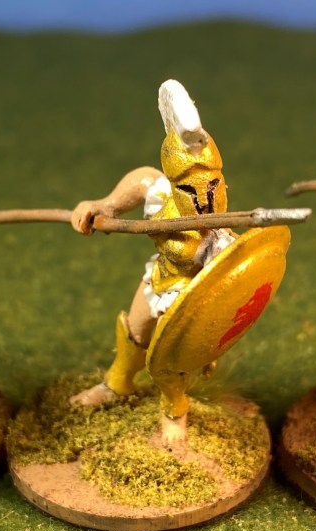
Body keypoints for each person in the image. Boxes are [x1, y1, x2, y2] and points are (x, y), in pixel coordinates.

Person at [68, 80, 234, 449]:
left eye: (212, 187)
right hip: (160, 278)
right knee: (135, 331)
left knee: (168, 355)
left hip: (193, 297)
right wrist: (103, 206)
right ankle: (118, 383)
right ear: (175, 185)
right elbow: (140, 179)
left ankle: (175, 409)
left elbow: (233, 275)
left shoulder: (220, 235)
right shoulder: (161, 194)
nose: (204, 200)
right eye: (191, 191)